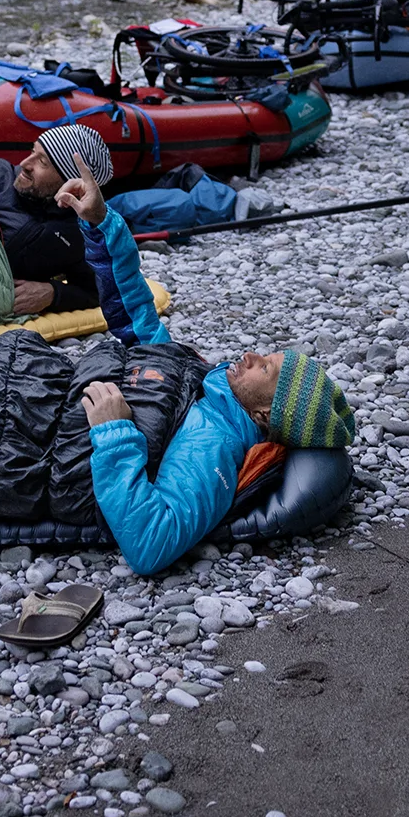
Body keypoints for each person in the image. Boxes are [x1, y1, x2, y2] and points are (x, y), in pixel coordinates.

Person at [56, 155, 353, 575]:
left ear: (264, 414)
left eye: (263, 368)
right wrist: (103, 222)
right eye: (266, 354)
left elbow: (150, 543)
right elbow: (136, 313)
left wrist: (114, 433)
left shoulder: (213, 443)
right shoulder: (205, 383)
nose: (249, 354)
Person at [0, 126, 112, 317]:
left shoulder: (75, 235)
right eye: (32, 151)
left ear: (69, 182)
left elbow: (95, 292)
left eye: (43, 162)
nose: (24, 164)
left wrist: (52, 294)